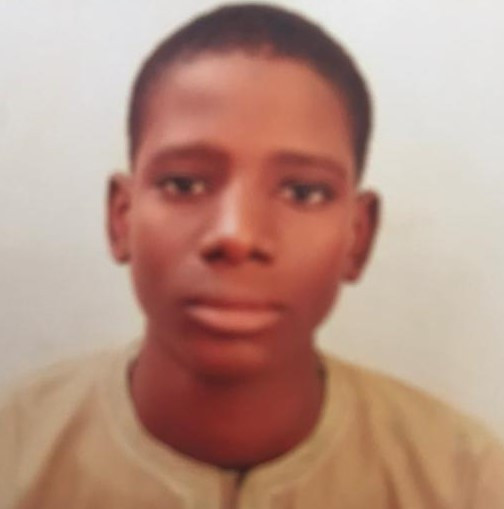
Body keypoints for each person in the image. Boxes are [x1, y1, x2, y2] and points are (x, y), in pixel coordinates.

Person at [1, 3, 503, 508]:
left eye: (303, 192)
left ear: (358, 236)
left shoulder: (468, 482)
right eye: (184, 184)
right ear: (121, 217)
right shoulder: (14, 456)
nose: (236, 235)